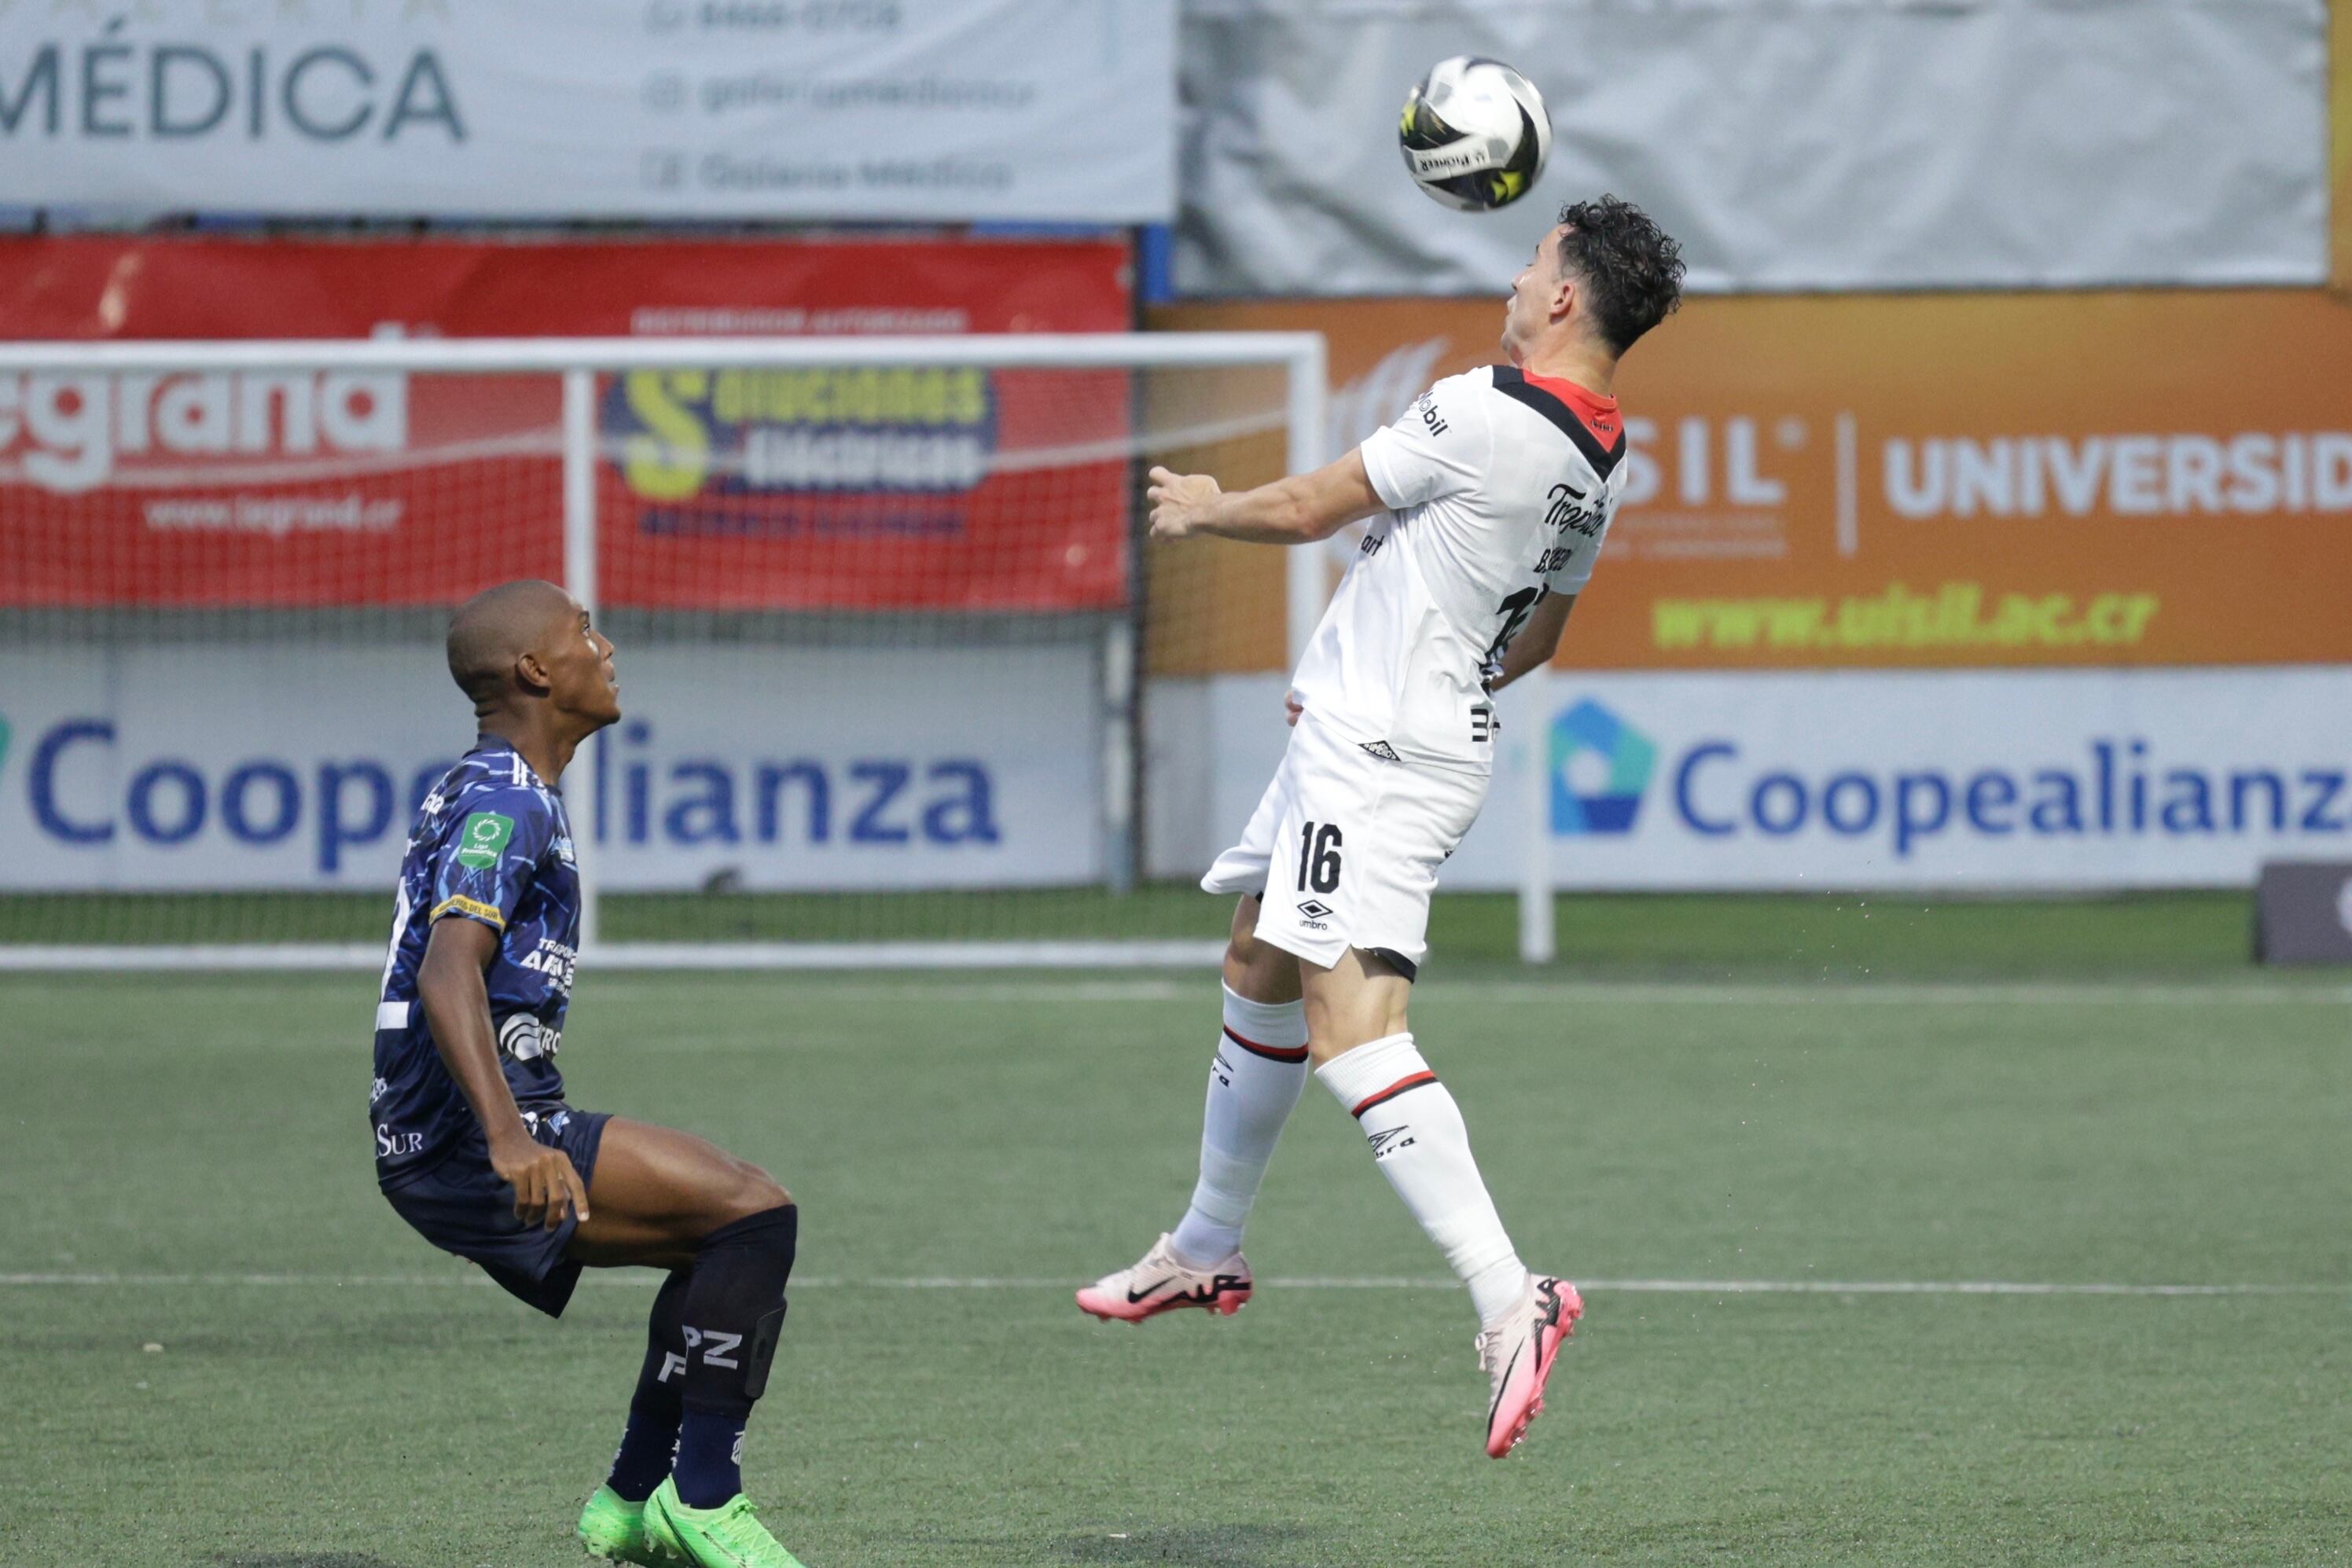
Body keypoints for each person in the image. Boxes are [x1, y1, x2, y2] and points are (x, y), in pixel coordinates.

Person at [1077, 197, 1685, 1459]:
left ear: (1566, 297)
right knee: (1257, 957)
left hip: (1375, 757)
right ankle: (1205, 1242)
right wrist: (1418, 674)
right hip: (1382, 740)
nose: (1517, 276)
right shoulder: (1597, 456)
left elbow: (1307, 507)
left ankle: (1508, 1293)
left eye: (1533, 259)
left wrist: (1199, 504)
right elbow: (1541, 638)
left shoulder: (1485, 408)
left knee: (1357, 1030)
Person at [369, 579, 808, 1566]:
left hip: (450, 1133)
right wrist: (508, 1136)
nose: (604, 648)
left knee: (717, 1241)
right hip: (462, 1138)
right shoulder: (502, 800)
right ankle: (701, 1499)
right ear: (535, 670)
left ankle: (627, 1503)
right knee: (755, 1214)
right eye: (582, 634)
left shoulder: (495, 786)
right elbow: (449, 974)